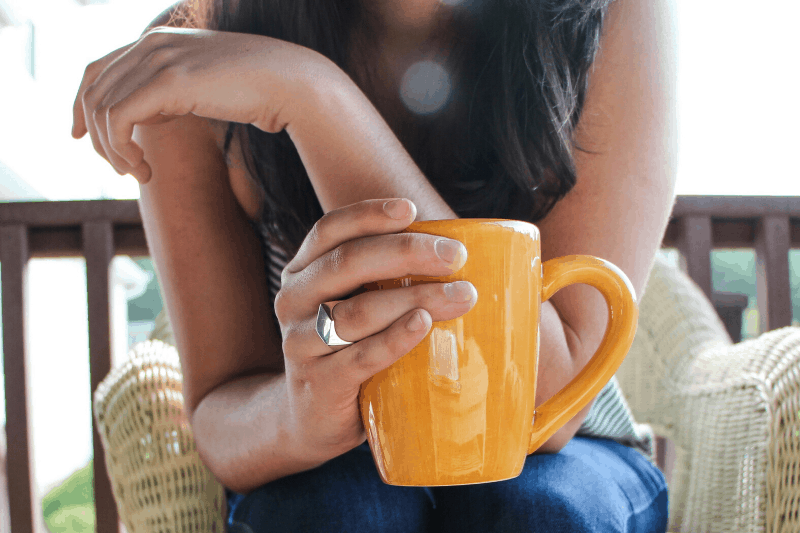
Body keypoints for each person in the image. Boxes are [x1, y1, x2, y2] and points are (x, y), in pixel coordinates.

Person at [71, 0, 675, 530]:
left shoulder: (607, 13)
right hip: (321, 461)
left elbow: (548, 406)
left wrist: (311, 97)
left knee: (541, 512)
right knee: (333, 513)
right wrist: (299, 416)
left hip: (567, 452)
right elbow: (220, 413)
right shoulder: (192, 58)